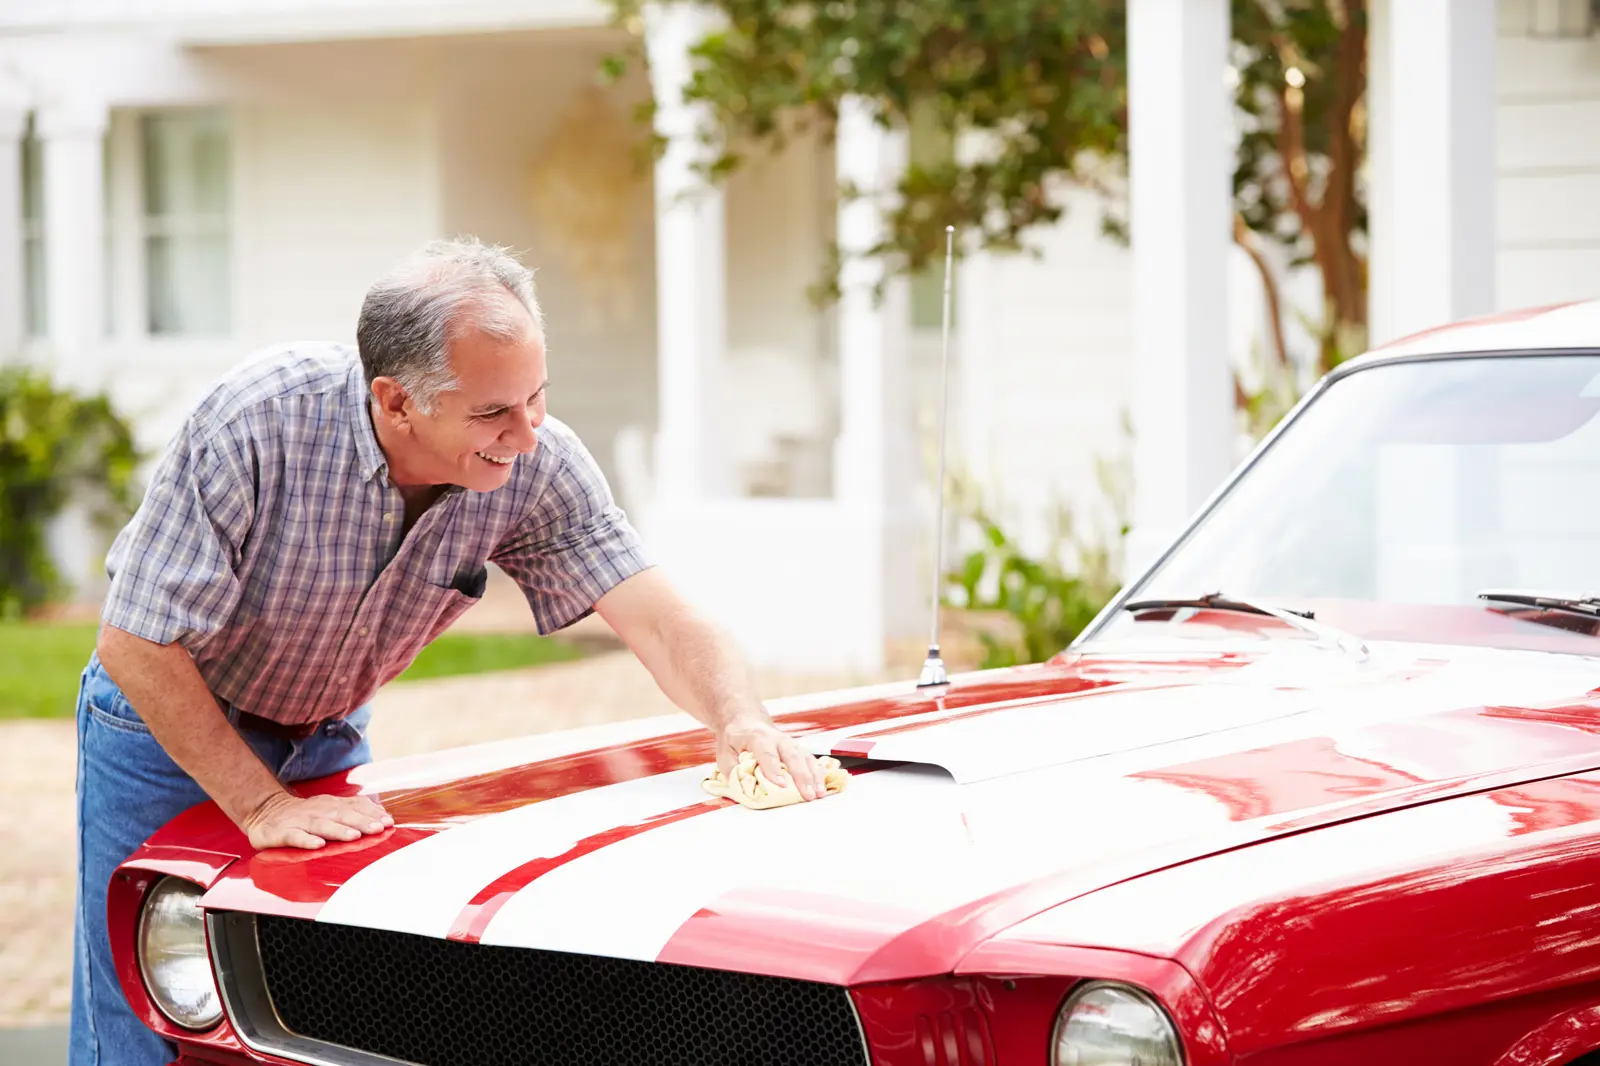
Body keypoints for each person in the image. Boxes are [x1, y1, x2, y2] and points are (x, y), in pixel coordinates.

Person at [69, 237, 830, 1066]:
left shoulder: (538, 465)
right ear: (396, 402)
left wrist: (742, 720)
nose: (527, 434)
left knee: (305, 1012)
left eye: (537, 397)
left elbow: (657, 617)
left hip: (326, 733)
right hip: (162, 728)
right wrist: (262, 807)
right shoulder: (257, 419)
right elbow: (136, 638)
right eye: (493, 412)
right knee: (150, 1015)